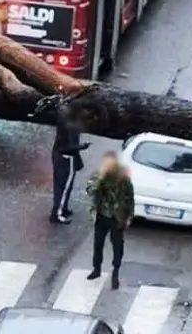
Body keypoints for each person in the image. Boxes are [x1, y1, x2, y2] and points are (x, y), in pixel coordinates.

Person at [86, 153, 135, 290]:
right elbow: (91, 191)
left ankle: (116, 271)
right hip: (102, 215)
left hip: (117, 217)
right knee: (98, 244)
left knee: (118, 245)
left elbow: (130, 197)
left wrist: (130, 216)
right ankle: (96, 269)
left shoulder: (123, 177)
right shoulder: (99, 175)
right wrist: (101, 178)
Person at [51, 103, 90, 224]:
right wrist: (81, 147)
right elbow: (67, 147)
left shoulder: (67, 120)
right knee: (63, 187)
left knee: (64, 186)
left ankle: (63, 208)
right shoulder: (69, 126)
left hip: (62, 156)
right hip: (65, 158)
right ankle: (57, 214)